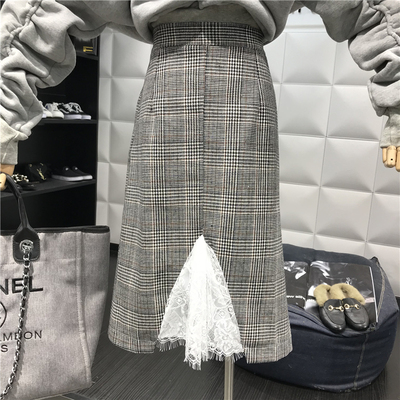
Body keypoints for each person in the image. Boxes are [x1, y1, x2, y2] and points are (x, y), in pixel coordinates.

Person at [1, 0, 399, 369]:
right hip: (186, 76)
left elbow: (369, 7)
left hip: (224, 79)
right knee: (163, 240)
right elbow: (48, 8)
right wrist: (6, 116)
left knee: (245, 246)